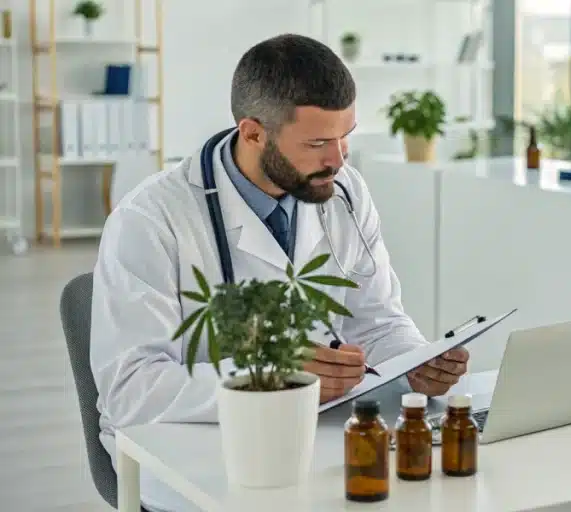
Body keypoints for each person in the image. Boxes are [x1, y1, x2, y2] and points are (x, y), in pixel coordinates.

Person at [89, 34, 468, 511]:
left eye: (345, 135)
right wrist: (271, 378)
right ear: (253, 133)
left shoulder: (344, 191)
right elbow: (131, 390)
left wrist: (416, 362)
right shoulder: (150, 219)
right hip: (189, 450)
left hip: (317, 431)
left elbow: (377, 319)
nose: (339, 158)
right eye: (317, 142)